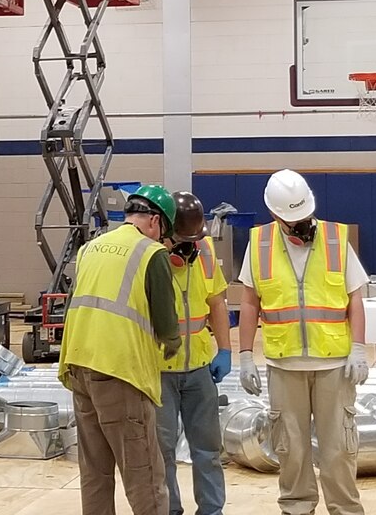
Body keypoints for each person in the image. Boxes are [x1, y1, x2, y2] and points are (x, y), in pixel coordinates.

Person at [237, 169, 369, 515]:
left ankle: (345, 509)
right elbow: (250, 303)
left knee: (338, 449)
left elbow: (356, 297)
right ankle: (296, 507)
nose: (300, 225)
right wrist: (245, 356)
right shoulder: (260, 243)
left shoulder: (336, 239)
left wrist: (359, 348)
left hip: (334, 365)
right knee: (290, 449)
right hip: (284, 365)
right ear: (275, 214)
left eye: (304, 216)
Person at [59, 184, 181, 515]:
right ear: (155, 221)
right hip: (120, 372)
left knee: (95, 472)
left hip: (79, 366)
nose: (162, 240)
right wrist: (172, 346)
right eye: (164, 233)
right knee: (144, 475)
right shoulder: (151, 253)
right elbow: (168, 324)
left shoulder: (90, 248)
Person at [156, 191, 231, 515]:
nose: (189, 247)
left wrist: (224, 349)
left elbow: (217, 302)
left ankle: (212, 510)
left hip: (199, 367)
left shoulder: (205, 251)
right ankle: (169, 509)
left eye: (193, 239)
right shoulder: (148, 257)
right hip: (158, 368)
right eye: (181, 240)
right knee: (162, 451)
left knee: (208, 449)